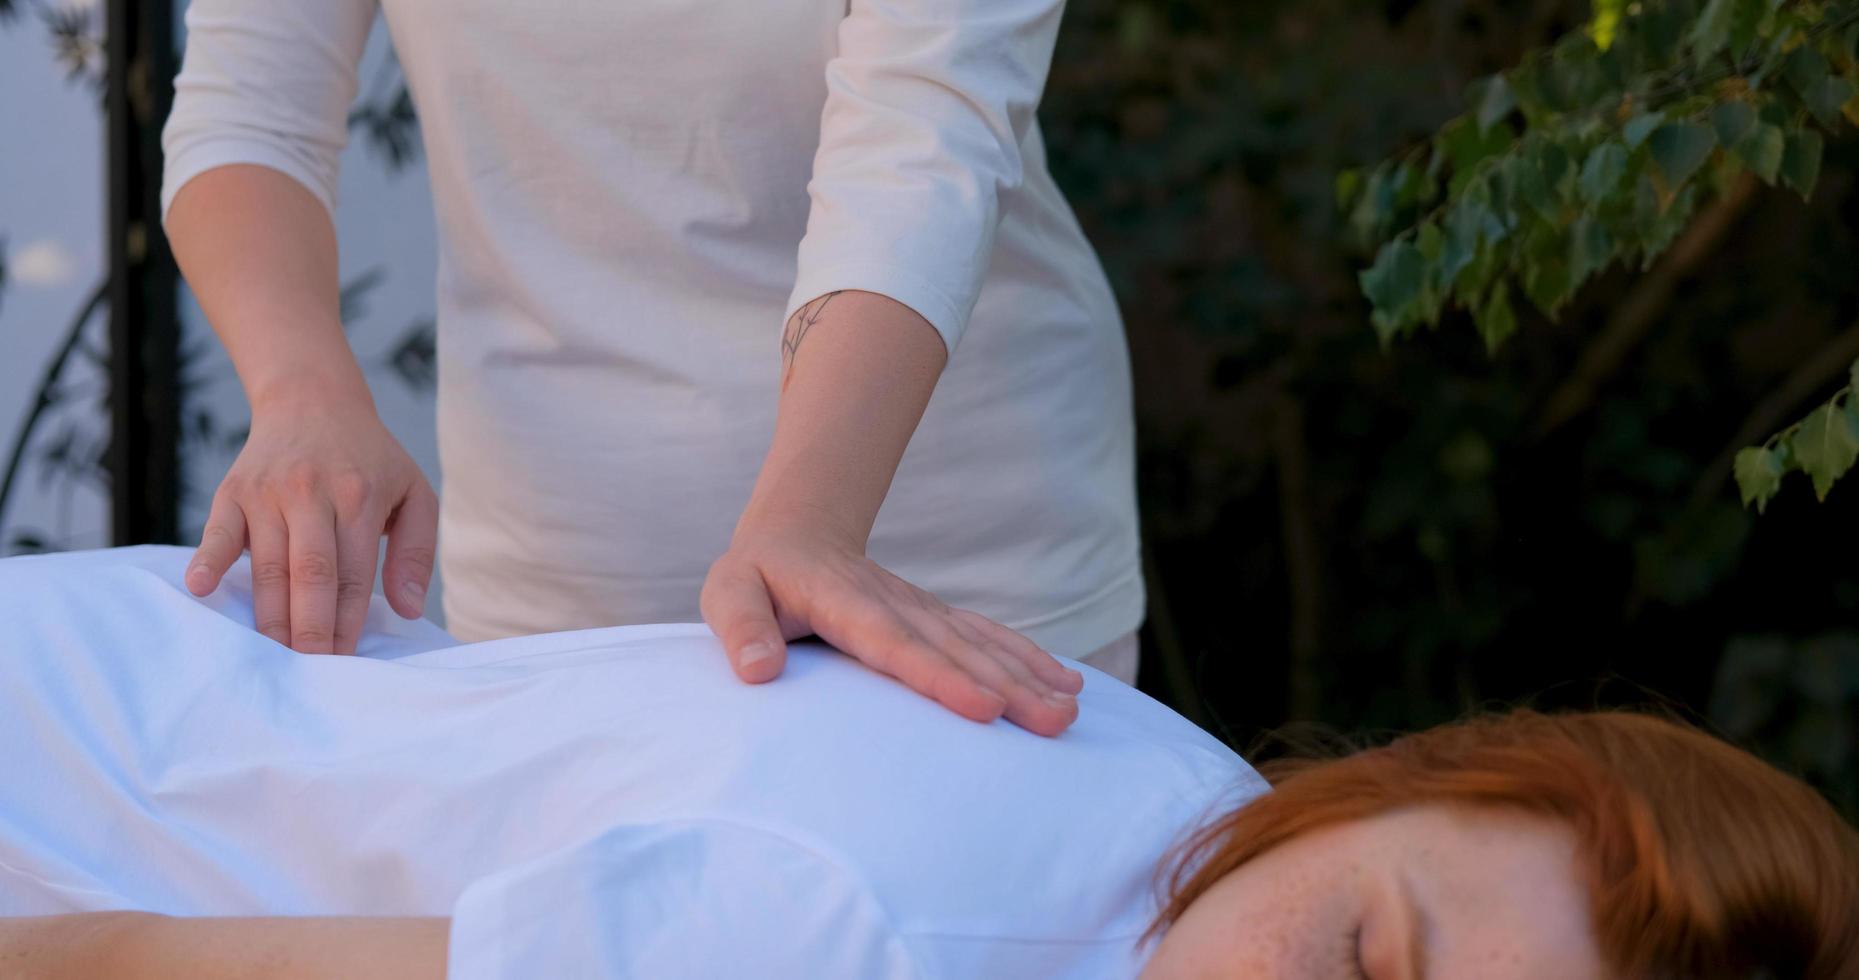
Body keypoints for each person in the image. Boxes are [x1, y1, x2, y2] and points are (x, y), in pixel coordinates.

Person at [2, 546, 1856, 978]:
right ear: (1397, 780)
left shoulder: (1199, 848)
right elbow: (126, 971)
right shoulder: (863, 929)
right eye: (1367, 966)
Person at [158, 0, 1146, 737]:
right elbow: (249, 115)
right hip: (556, 575)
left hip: (950, 563)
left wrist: (811, 523)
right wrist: (304, 394)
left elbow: (925, 130)